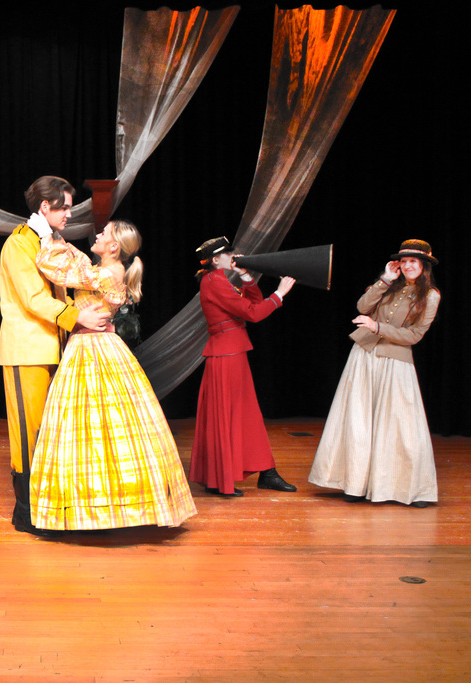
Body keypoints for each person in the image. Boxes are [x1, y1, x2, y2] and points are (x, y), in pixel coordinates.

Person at [29, 221, 197, 530]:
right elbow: (78, 262)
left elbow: (57, 268)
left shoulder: (108, 273)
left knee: (94, 424)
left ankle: (104, 507)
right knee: (97, 424)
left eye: (104, 234)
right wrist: (60, 239)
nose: (98, 235)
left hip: (93, 348)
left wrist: (48, 237)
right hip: (92, 344)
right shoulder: (104, 270)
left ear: (114, 247)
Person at [0, 175, 109, 535]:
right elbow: (32, 299)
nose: (69, 214)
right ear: (45, 206)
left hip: (54, 346)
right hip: (26, 349)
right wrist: (78, 317)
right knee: (28, 434)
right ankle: (25, 512)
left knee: (51, 432)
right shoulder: (19, 244)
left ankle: (48, 508)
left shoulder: (54, 242)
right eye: (65, 207)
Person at [308, 239, 441, 507]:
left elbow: (414, 335)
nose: (407, 266)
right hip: (364, 356)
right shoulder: (389, 284)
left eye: (413, 261)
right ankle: (355, 484)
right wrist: (384, 279)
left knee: (400, 426)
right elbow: (362, 306)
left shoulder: (431, 295)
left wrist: (376, 327)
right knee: (358, 421)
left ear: (424, 265)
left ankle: (412, 489)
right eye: (404, 262)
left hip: (395, 363)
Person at [189, 236, 296, 497]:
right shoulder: (214, 281)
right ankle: (227, 477)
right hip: (227, 353)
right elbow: (253, 313)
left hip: (231, 350)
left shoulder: (219, 279)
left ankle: (265, 472)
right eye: (228, 254)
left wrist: (247, 278)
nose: (233, 257)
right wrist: (280, 294)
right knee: (232, 415)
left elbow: (253, 302)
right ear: (216, 260)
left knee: (243, 414)